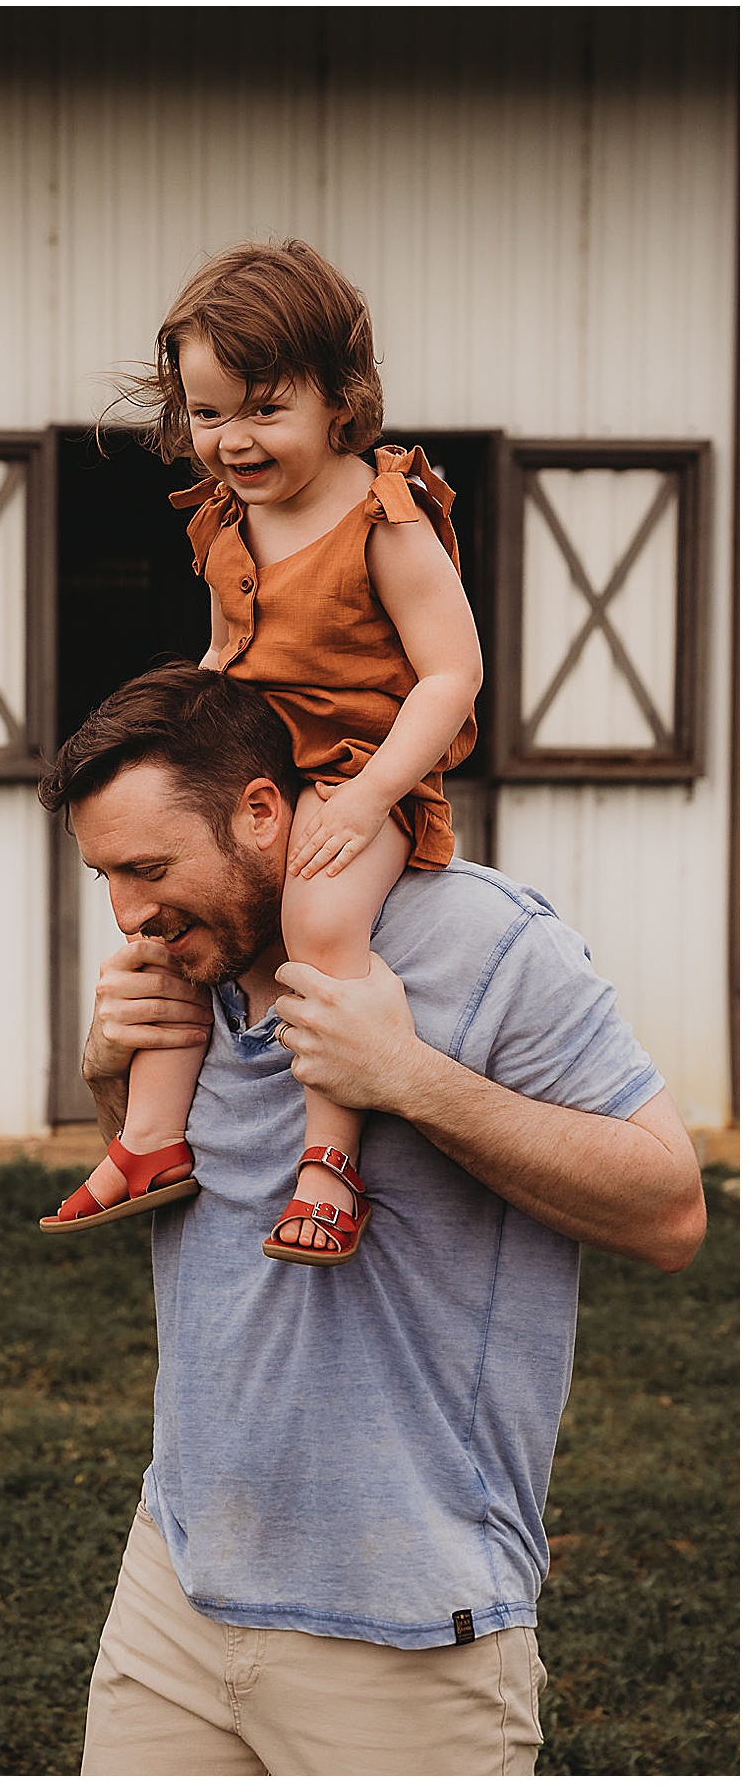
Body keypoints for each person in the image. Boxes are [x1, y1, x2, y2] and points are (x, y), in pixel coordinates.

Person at [38, 662, 706, 1776]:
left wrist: (409, 1077)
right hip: (177, 1586)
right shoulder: (188, 962)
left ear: (262, 811)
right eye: (105, 874)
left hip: (404, 1628)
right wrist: (113, 1075)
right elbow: (194, 1189)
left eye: (149, 868)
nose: (130, 913)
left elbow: (669, 1207)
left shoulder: (489, 942)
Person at [40, 239, 483, 1264]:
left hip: (362, 770)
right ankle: (151, 1138)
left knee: (319, 913)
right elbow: (228, 655)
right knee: (171, 920)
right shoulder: (228, 518)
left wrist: (370, 796)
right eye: (207, 413)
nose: (232, 439)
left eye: (262, 408)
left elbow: (452, 674)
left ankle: (329, 1159)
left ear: (341, 398)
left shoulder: (386, 515)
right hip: (253, 771)